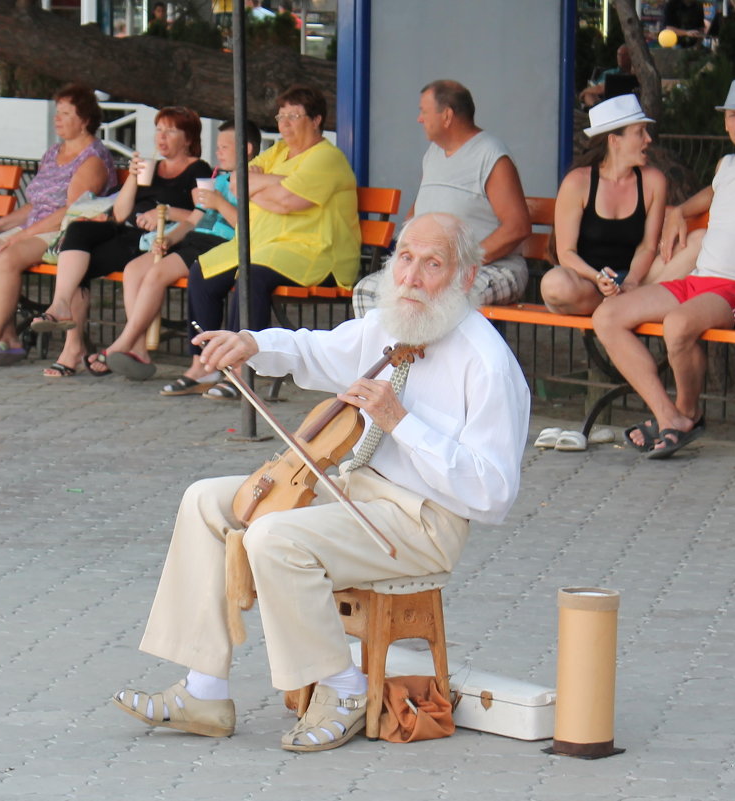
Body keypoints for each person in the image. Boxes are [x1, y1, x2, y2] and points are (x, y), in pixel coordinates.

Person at [112, 212, 529, 752]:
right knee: (206, 502)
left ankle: (344, 688)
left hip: (423, 521)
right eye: (405, 258)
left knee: (274, 538)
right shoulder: (394, 323)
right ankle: (204, 689)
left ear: (465, 278)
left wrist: (403, 424)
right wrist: (251, 343)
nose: (411, 277)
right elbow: (316, 350)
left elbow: (494, 494)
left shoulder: (489, 365)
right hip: (357, 495)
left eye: (433, 264)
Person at [593, 78, 735, 459]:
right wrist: (681, 212)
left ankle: (688, 413)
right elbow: (714, 194)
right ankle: (668, 415)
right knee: (608, 316)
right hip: (699, 278)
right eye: (733, 116)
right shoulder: (728, 163)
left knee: (679, 325)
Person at [167, 84, 360, 399]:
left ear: (316, 120)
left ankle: (242, 371)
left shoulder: (327, 158)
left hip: (314, 252)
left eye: (293, 116)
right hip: (266, 245)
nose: (283, 124)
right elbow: (237, 182)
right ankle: (204, 364)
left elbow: (289, 202)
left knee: (250, 277)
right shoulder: (279, 152)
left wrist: (262, 186)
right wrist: (273, 185)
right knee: (202, 270)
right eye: (280, 116)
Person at [58, 119, 260, 381]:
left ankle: (122, 344)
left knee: (155, 274)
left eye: (224, 146)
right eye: (218, 146)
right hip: (195, 239)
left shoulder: (254, 181)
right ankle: (137, 348)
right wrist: (170, 238)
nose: (217, 152)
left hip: (219, 244)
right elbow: (193, 220)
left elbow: (247, 227)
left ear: (245, 149)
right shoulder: (218, 179)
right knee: (134, 269)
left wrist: (220, 203)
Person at [30, 106, 210, 375]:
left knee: (86, 268)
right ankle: (62, 309)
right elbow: (121, 213)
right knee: (78, 234)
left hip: (159, 238)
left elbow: (203, 215)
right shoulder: (151, 167)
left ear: (188, 138)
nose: (161, 137)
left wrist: (165, 212)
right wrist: (133, 179)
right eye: (159, 130)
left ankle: (92, 347)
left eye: (171, 131)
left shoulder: (198, 169)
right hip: (126, 229)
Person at [0, 85, 117, 367]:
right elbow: (35, 203)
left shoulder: (93, 158)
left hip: (65, 231)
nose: (57, 119)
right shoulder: (53, 152)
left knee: (7, 257)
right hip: (35, 225)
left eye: (66, 114)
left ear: (85, 120)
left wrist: (25, 234)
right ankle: (9, 337)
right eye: (57, 113)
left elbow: (73, 211)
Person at [357, 80, 530, 314]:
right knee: (367, 290)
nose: (419, 119)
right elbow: (416, 212)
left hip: (489, 268)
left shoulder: (491, 156)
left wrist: (462, 262)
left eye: (424, 112)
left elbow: (517, 228)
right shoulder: (433, 153)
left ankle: (428, 352)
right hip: (430, 266)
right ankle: (390, 351)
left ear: (447, 116)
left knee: (441, 294)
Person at [540, 94, 667, 316]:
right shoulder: (578, 182)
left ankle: (619, 306)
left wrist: (631, 281)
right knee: (554, 284)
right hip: (588, 283)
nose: (648, 139)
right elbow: (566, 253)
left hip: (636, 281)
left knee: (695, 246)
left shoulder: (654, 181)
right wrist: (598, 278)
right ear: (614, 141)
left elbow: (648, 246)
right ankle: (615, 308)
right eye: (639, 133)